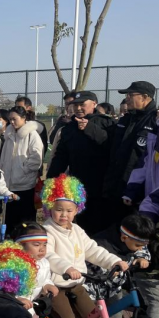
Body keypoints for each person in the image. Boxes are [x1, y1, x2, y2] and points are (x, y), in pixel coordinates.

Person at [41, 175, 127, 318]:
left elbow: (93, 250)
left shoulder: (77, 230)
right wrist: (66, 268)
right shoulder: (47, 230)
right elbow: (48, 255)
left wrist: (114, 261)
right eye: (59, 210)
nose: (64, 214)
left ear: (77, 210)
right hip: (55, 286)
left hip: (76, 284)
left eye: (69, 211)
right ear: (50, 207)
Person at [46, 91, 115, 234]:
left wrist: (90, 129)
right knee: (81, 225)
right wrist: (51, 179)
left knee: (100, 226)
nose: (78, 108)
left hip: (101, 187)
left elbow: (111, 146)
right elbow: (61, 156)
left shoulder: (106, 123)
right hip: (78, 186)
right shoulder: (70, 127)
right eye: (75, 105)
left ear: (94, 104)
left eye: (82, 104)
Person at [92, 214, 153, 318]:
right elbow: (94, 261)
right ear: (124, 237)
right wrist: (108, 270)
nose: (140, 248)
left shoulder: (135, 240)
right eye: (138, 245)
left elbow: (142, 249)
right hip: (95, 289)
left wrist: (142, 258)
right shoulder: (102, 243)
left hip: (115, 287)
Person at [104, 81, 158, 206]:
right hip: (115, 185)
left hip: (138, 190)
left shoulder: (156, 121)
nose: (127, 98)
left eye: (130, 95)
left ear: (144, 97)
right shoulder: (126, 119)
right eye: (126, 95)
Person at [0, 106, 43, 231]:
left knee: (25, 222)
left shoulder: (32, 135)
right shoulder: (9, 135)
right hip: (9, 186)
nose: (12, 122)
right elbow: (3, 158)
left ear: (24, 118)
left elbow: (36, 159)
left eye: (15, 119)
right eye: (10, 119)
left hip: (25, 186)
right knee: (10, 221)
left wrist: (23, 170)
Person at [10, 223, 60, 314]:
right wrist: (17, 299)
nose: (42, 249)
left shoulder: (44, 263)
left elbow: (45, 279)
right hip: (14, 309)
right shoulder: (13, 266)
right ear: (20, 245)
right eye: (37, 245)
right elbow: (4, 290)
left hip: (32, 307)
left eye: (45, 245)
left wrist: (47, 285)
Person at [47, 93, 76, 166]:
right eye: (66, 104)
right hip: (60, 160)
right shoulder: (62, 120)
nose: (68, 106)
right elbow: (52, 139)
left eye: (71, 103)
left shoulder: (82, 121)